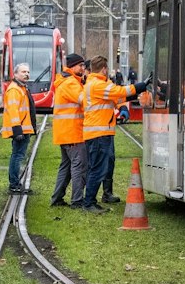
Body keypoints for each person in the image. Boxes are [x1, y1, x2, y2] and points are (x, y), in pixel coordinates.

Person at [79, 60, 132, 208]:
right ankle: (89, 202)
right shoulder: (96, 84)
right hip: (98, 132)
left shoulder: (99, 82)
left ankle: (102, 195)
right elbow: (119, 92)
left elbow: (115, 96)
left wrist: (123, 108)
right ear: (103, 69)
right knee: (98, 167)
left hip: (103, 131)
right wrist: (138, 88)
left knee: (106, 163)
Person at [49, 54, 94, 210]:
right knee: (79, 166)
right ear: (73, 66)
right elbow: (85, 100)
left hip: (65, 133)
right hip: (73, 132)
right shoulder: (71, 83)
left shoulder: (68, 81)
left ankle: (57, 197)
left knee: (66, 167)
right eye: (81, 65)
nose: (83, 68)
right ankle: (77, 200)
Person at [1, 63, 35, 195]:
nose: (26, 74)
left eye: (28, 72)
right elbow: (13, 111)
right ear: (15, 74)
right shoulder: (15, 90)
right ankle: (14, 184)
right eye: (23, 72)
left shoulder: (21, 88)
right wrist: (17, 130)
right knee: (17, 156)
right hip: (20, 129)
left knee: (18, 155)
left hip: (22, 128)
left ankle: (15, 183)